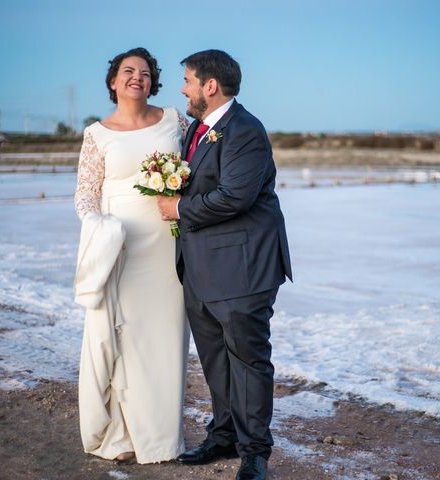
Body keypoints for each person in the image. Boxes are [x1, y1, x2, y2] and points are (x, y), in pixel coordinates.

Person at [157, 49, 292, 480]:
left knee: (249, 360)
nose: (183, 88)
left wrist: (178, 208)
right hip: (200, 267)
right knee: (215, 358)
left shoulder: (245, 131)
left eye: (187, 80)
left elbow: (235, 196)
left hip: (243, 267)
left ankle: (255, 452)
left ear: (209, 86)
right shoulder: (198, 128)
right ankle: (223, 435)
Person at [74, 47, 190, 464]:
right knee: (122, 337)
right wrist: (102, 229)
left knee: (165, 339)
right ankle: (121, 435)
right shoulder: (97, 134)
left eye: (145, 72)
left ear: (153, 81)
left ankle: (162, 440)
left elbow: (206, 160)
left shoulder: (176, 120)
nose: (137, 77)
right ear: (113, 81)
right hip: (120, 248)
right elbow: (85, 196)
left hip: (168, 244)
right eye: (128, 71)